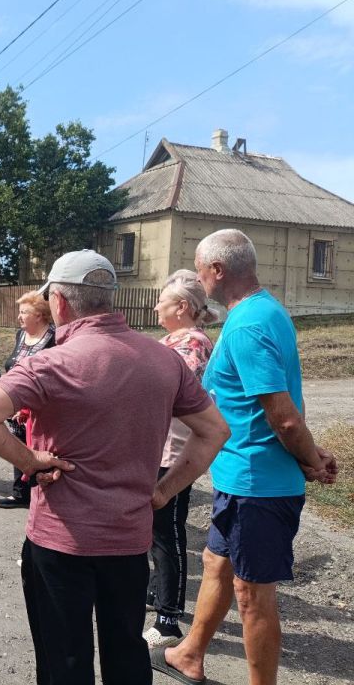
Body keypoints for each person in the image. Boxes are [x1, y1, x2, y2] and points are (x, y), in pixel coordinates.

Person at [0, 249, 230, 685]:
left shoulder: (49, 364)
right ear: (111, 298)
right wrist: (164, 491)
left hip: (60, 540)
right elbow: (215, 431)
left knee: (64, 659)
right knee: (126, 654)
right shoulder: (163, 359)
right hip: (128, 540)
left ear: (61, 303)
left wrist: (29, 461)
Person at [156, 229, 338, 685]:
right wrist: (310, 453)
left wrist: (310, 460)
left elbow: (283, 416)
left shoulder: (249, 326)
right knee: (217, 563)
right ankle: (190, 654)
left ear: (217, 270)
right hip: (241, 478)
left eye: (200, 270)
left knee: (252, 594)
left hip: (257, 484)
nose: (198, 279)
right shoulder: (266, 311)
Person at [144, 269, 218, 649]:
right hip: (158, 448)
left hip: (174, 453)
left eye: (163, 300)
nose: (156, 305)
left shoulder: (192, 343)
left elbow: (173, 394)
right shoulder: (174, 340)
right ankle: (157, 595)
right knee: (153, 531)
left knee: (167, 534)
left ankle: (169, 619)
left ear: (182, 307)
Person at [0, 292, 55, 510]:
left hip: (39, 405)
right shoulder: (21, 335)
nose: (19, 316)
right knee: (18, 445)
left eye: (24, 312)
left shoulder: (52, 338)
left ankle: (38, 494)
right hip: (17, 402)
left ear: (39, 315)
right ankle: (20, 493)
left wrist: (28, 408)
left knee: (37, 447)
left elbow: (48, 376)